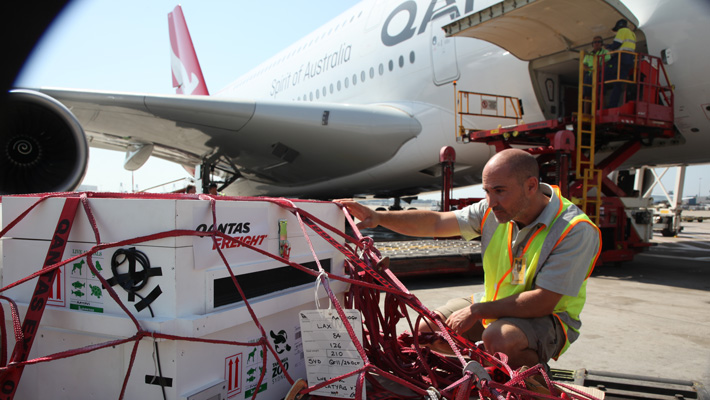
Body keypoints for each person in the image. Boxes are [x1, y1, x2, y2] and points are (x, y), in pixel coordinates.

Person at [337, 149, 601, 369]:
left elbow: (543, 301)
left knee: (500, 338)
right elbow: (437, 222)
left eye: (499, 191)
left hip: (550, 317)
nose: (491, 201)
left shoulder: (573, 230)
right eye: (487, 191)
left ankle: (528, 385)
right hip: (496, 303)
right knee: (427, 331)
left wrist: (477, 311)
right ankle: (486, 367)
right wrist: (380, 218)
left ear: (531, 186)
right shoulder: (493, 210)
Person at [606, 19, 636, 107]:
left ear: (619, 26)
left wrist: (608, 46)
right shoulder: (632, 33)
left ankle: (612, 104)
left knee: (608, 78)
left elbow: (616, 45)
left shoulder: (622, 31)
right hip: (629, 59)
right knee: (620, 83)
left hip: (621, 59)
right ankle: (615, 104)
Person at [582, 36, 610, 103]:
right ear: (592, 44)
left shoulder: (605, 51)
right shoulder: (589, 54)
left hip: (600, 74)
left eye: (599, 42)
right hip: (589, 74)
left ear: (601, 43)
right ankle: (586, 113)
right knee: (587, 95)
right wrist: (588, 69)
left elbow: (607, 62)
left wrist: (598, 69)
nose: (597, 43)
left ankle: (602, 110)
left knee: (601, 94)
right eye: (595, 42)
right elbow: (584, 64)